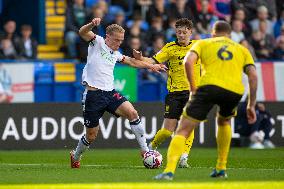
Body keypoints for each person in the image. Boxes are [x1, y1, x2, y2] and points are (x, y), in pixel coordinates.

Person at [154, 20, 258, 180]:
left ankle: (169, 171)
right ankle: (221, 168)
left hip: (209, 87)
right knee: (224, 122)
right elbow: (253, 75)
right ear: (230, 35)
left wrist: (194, 88)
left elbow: (188, 61)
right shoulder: (242, 49)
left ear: (213, 33)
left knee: (183, 129)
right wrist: (251, 104)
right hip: (233, 90)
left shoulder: (205, 44)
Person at [70, 18, 166, 168]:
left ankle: (146, 151)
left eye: (121, 40)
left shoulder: (115, 53)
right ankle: (75, 156)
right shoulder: (97, 42)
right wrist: (92, 24)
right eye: (116, 40)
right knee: (91, 136)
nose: (119, 43)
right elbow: (82, 32)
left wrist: (150, 66)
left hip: (110, 93)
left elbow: (132, 62)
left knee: (132, 113)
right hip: (93, 96)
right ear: (108, 37)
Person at [133, 18, 201, 168]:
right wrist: (140, 58)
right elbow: (153, 60)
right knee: (167, 130)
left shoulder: (198, 46)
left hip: (192, 93)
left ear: (190, 32)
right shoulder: (170, 48)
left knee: (189, 126)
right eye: (178, 32)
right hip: (175, 93)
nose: (181, 35)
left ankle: (184, 157)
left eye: (184, 32)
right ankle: (151, 147)